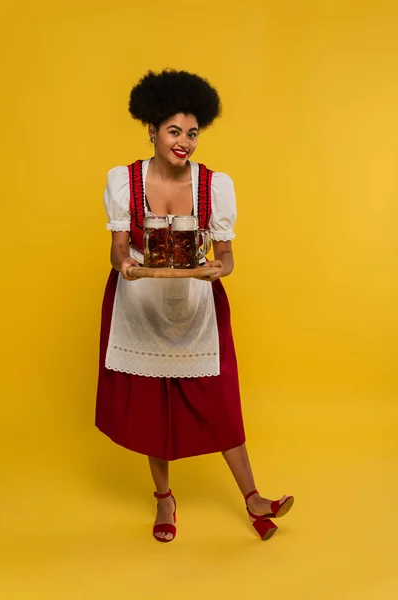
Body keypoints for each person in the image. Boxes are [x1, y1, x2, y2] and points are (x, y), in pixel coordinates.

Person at [96, 69, 294, 542]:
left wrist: (218, 270)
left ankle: (252, 498)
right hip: (139, 301)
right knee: (152, 406)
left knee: (219, 398)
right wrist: (126, 264)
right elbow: (117, 246)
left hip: (195, 304)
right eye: (173, 131)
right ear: (151, 129)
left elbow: (225, 255)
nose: (184, 142)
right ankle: (164, 500)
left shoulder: (215, 185)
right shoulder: (123, 180)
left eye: (192, 133)